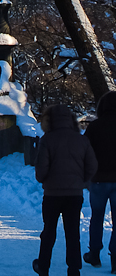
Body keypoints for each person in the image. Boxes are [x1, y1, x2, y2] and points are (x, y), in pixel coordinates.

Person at [34, 104, 98, 276]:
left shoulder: (47, 139)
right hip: (74, 195)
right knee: (72, 232)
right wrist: (82, 182)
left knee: (49, 231)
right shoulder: (82, 140)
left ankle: (43, 265)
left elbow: (41, 169)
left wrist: (44, 179)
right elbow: (92, 166)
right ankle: (74, 268)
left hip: (52, 194)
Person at [84, 91, 116, 271]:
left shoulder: (95, 127)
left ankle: (94, 253)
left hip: (98, 179)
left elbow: (85, 152)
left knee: (97, 217)